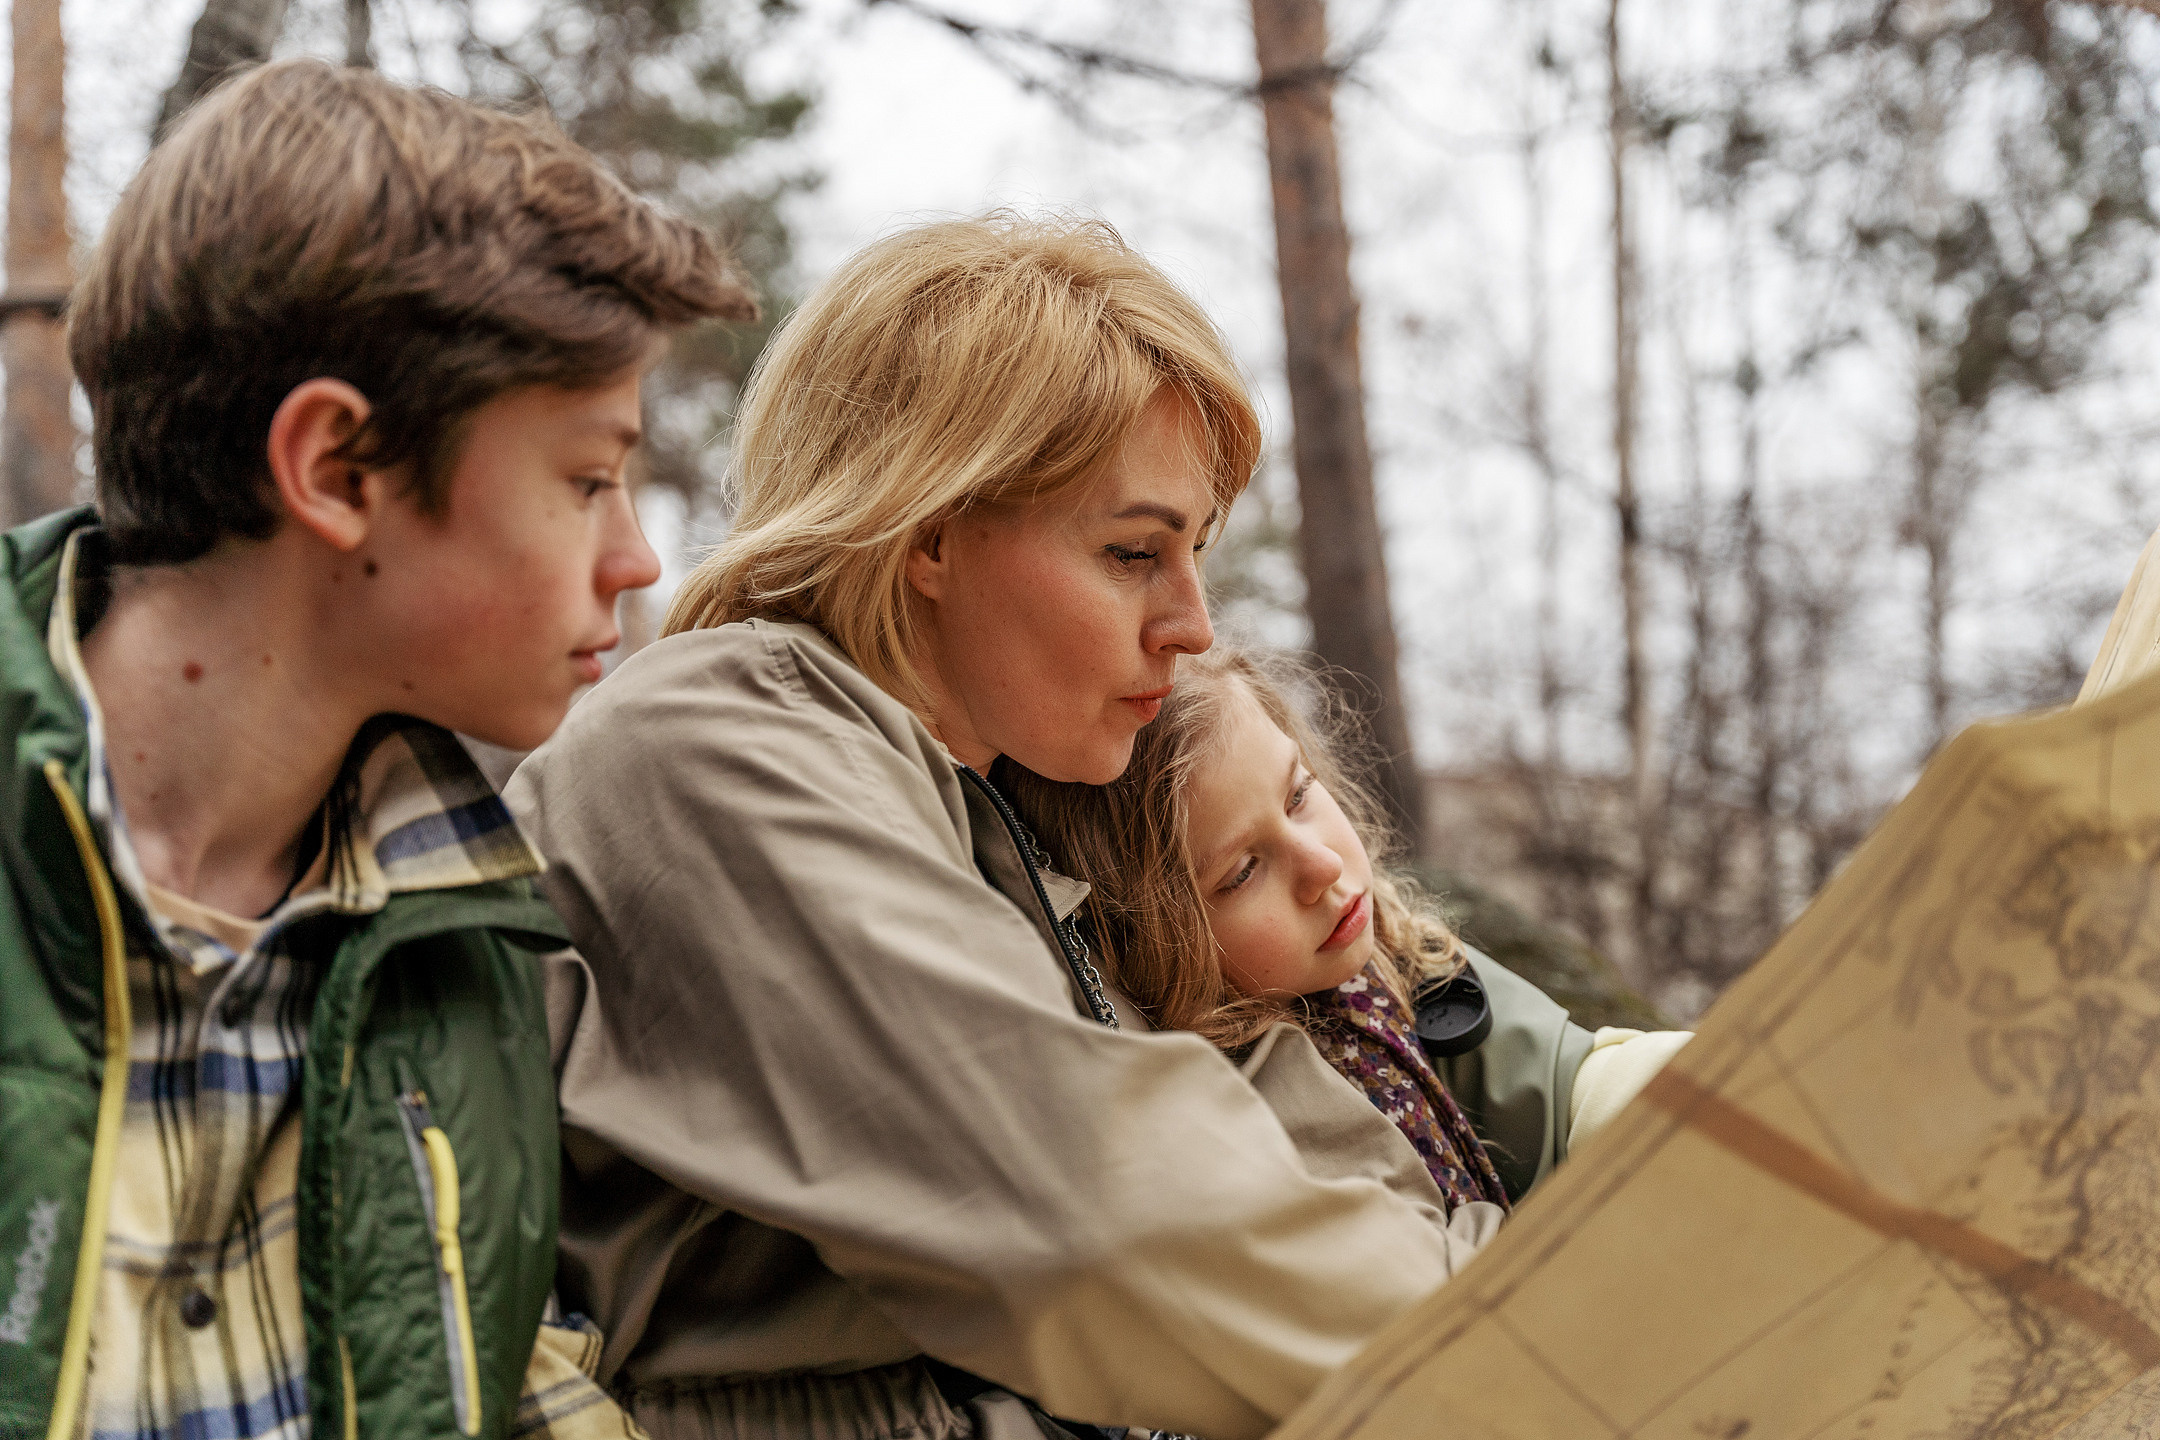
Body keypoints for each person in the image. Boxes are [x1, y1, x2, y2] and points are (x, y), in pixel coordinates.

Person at [507, 215, 1499, 1440]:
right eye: (1135, 552)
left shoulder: (999, 801)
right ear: (928, 534)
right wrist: (1545, 1368)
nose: (1192, 623)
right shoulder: (714, 745)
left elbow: (1278, 1122)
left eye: (1193, 552)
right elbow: (1103, 1218)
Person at [0, 60, 748, 1440]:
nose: (636, 555)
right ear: (340, 470)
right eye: (587, 480)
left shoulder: (464, 945)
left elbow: (484, 1374)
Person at [999, 648, 1692, 1207]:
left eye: (1299, 795)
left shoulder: (1384, 952)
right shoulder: (1240, 1127)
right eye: (1243, 872)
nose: (1323, 865)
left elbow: (1549, 1078)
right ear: (1155, 941)